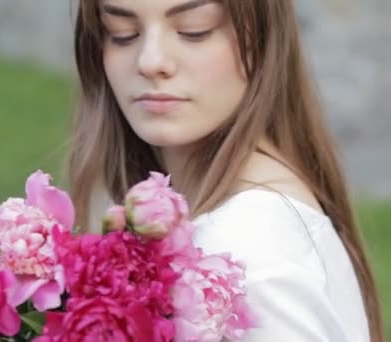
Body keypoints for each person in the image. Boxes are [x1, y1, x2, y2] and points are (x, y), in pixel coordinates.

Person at [66, 0, 384, 341]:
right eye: (122, 34)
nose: (151, 61)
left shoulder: (246, 244)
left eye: (194, 30)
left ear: (263, 36)